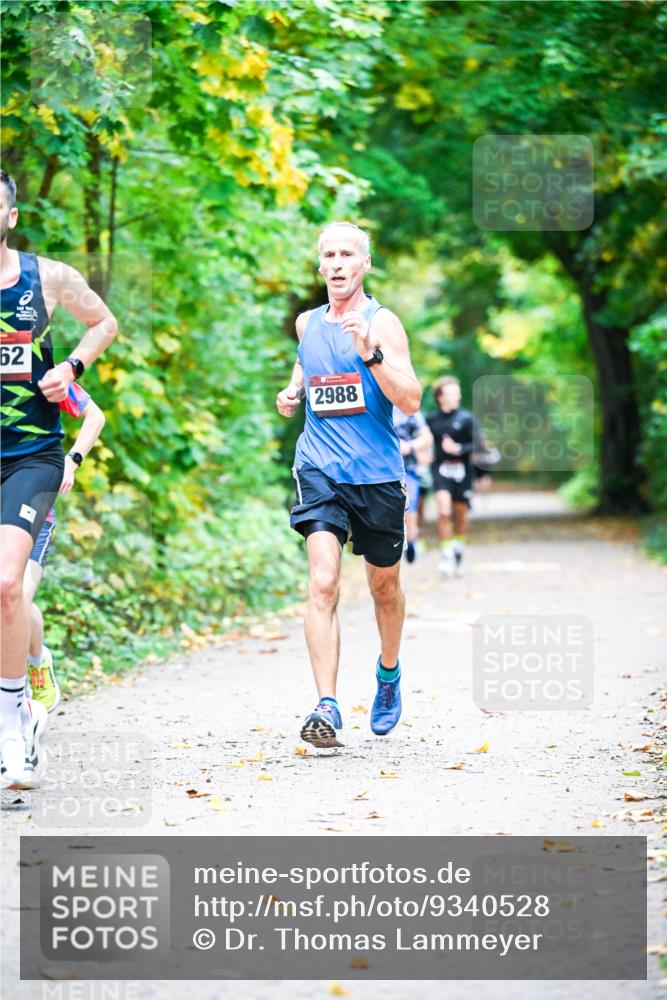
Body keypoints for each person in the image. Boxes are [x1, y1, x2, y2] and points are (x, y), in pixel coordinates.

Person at [276, 221, 421, 749]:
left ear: (364, 264)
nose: (336, 264)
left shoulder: (384, 324)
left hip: (377, 474)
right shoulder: (306, 323)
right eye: (328, 255)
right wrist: (293, 389)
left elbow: (410, 400)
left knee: (384, 586)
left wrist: (370, 353)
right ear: (320, 266)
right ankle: (327, 707)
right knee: (322, 583)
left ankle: (387, 673)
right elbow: (308, 362)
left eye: (346, 255)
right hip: (319, 467)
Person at [0, 169, 117, 789]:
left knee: (7, 585)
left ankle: (14, 725)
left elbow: (105, 324)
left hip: (32, 456)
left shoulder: (48, 278)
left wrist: (70, 367)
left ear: (11, 217)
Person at [24, 383, 105, 713]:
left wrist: (71, 461)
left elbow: (94, 416)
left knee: (16, 595)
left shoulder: (48, 375)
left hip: (34, 508)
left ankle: (36, 665)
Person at [426, 375, 477, 578]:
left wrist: (458, 448)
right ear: (440, 397)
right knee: (444, 512)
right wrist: (424, 452)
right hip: (441, 471)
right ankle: (446, 554)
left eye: (458, 393)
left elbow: (477, 445)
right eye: (452, 393)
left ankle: (459, 550)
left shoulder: (466, 418)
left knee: (461, 513)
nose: (457, 396)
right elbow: (422, 438)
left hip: (463, 472)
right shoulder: (430, 420)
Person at [392, 406, 433, 563]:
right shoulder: (372, 402)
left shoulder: (407, 408)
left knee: (410, 505)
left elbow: (427, 436)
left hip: (407, 468)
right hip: (379, 469)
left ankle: (411, 542)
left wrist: (410, 446)